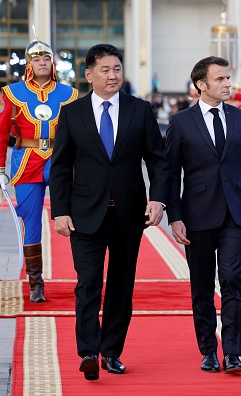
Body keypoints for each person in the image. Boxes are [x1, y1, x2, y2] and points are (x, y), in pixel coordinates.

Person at [49, 44, 169, 380]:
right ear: (89, 75)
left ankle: (111, 352)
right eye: (105, 69)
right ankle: (88, 350)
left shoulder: (140, 110)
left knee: (121, 286)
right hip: (84, 214)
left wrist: (158, 199)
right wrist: (60, 211)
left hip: (129, 215)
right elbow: (60, 167)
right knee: (88, 283)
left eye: (117, 68)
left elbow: (158, 160)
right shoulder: (72, 114)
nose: (112, 75)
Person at [166, 56, 241, 374]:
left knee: (231, 280)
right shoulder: (180, 122)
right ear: (201, 85)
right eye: (220, 79)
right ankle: (208, 349)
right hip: (197, 215)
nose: (228, 84)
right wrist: (174, 216)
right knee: (202, 286)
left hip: (235, 213)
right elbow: (170, 173)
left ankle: (233, 352)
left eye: (228, 78)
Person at [0, 33, 78, 303]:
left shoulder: (70, 94)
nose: (42, 62)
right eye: (37, 58)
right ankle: (36, 284)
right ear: (28, 64)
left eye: (47, 58)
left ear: (53, 63)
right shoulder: (11, 93)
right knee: (30, 222)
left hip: (61, 161)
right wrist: (0, 168)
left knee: (75, 218)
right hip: (26, 162)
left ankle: (86, 277)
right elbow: (0, 133)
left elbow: (82, 133)